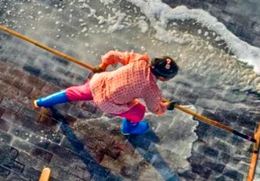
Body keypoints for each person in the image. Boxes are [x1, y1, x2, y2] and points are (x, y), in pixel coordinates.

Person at [33, 52, 179, 136]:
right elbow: (154, 108)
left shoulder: (139, 60)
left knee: (74, 92)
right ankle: (129, 128)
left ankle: (42, 102)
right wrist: (166, 106)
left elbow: (113, 55)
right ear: (163, 78)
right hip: (107, 101)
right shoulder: (151, 89)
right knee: (138, 112)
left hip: (99, 82)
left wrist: (102, 66)